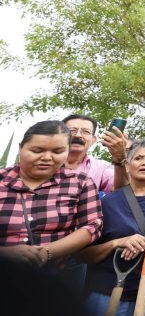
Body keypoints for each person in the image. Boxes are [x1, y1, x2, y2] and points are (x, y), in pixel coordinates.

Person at [82, 138, 145, 316]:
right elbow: (84, 255)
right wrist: (117, 243)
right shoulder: (108, 202)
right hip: (112, 291)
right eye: (138, 158)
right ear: (127, 165)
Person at [0, 120, 103, 296]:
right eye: (37, 150)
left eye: (58, 151)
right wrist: (5, 254)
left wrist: (46, 253)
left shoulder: (80, 183)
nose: (47, 158)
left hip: (54, 282)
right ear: (21, 147)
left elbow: (92, 226)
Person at [62, 114, 129, 194]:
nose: (78, 135)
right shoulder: (47, 161)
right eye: (72, 130)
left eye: (86, 132)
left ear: (93, 140)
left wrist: (120, 158)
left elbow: (122, 192)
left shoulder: (102, 168)